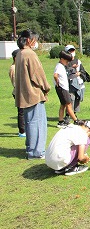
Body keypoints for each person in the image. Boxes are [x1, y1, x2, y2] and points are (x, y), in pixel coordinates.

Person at [15, 30, 51, 159]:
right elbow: (38, 75)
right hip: (33, 94)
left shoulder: (20, 53)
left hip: (24, 94)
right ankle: (37, 152)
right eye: (35, 40)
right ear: (29, 40)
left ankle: (31, 148)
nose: (36, 42)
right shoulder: (30, 54)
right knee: (37, 123)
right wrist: (46, 87)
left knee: (30, 122)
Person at [54, 50, 79, 127]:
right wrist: (57, 82)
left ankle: (61, 121)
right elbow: (55, 75)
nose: (67, 62)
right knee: (68, 104)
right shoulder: (59, 66)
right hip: (62, 88)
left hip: (63, 88)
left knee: (63, 105)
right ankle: (76, 120)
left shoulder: (61, 66)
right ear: (62, 59)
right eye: (67, 61)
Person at [65, 45, 89, 122]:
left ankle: (74, 113)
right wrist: (72, 68)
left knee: (78, 98)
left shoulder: (78, 61)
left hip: (79, 83)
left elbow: (83, 71)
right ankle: (68, 115)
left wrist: (79, 73)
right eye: (70, 51)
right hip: (70, 83)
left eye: (73, 51)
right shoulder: (65, 62)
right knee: (71, 99)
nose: (72, 52)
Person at [9, 49, 25, 137]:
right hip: (19, 92)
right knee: (21, 111)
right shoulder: (13, 68)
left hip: (23, 92)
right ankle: (22, 131)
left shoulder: (19, 66)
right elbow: (16, 82)